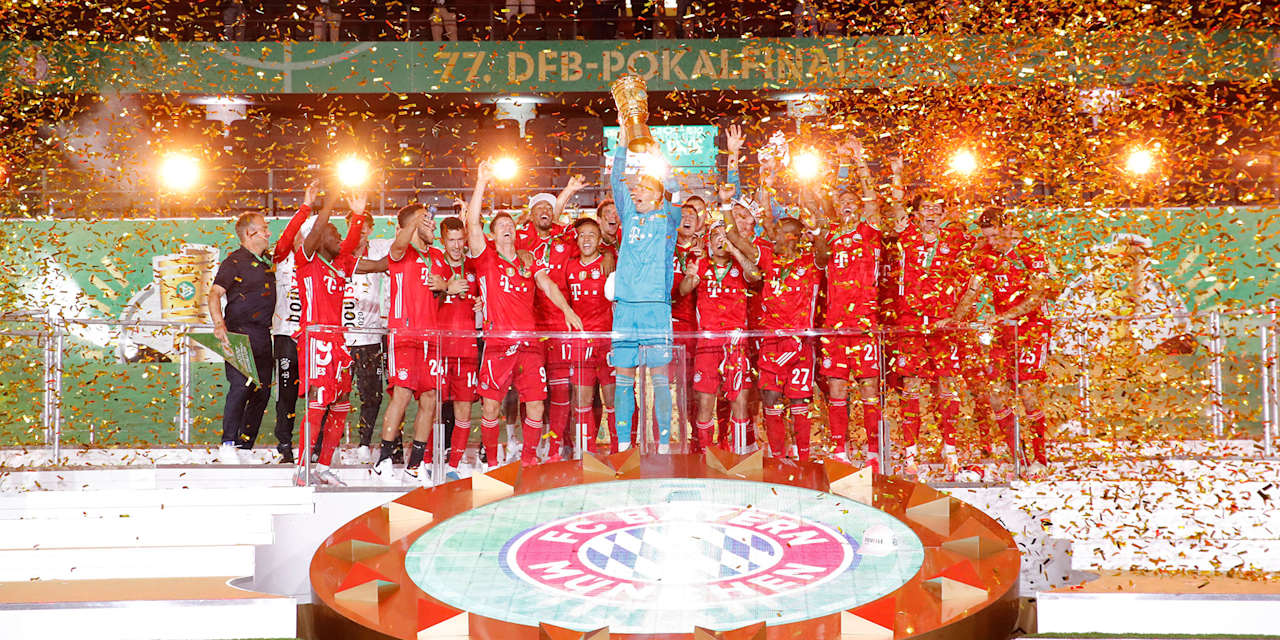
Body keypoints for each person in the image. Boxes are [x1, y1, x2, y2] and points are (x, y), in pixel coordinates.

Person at [466, 159, 582, 468]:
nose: (507, 228)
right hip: (498, 345)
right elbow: (472, 224)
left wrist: (568, 310)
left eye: (510, 226)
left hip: (530, 345)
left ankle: (529, 461)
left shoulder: (529, 261)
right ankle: (492, 463)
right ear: (492, 235)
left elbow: (547, 286)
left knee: (536, 407)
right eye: (501, 226)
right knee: (490, 408)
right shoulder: (486, 258)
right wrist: (482, 182)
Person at [956, 206, 1053, 476]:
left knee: (1028, 392)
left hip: (1032, 329)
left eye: (996, 236)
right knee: (996, 396)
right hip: (1003, 330)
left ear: (1009, 228)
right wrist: (954, 318)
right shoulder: (985, 255)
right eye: (987, 237)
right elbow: (972, 291)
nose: (992, 243)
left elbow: (1037, 297)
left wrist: (1006, 315)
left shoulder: (1031, 252)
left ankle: (1040, 458)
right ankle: (1018, 457)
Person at [609, 129, 682, 453]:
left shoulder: (668, 217)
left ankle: (664, 444)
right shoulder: (627, 213)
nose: (636, 192)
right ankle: (625, 444)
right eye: (636, 188)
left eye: (644, 188)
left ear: (657, 194)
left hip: (655, 307)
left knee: (659, 380)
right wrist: (624, 140)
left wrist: (658, 156)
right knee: (623, 380)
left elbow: (675, 190)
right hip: (626, 307)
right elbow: (616, 177)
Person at [893, 193, 975, 477]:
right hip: (911, 322)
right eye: (925, 208)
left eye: (937, 209)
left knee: (947, 385)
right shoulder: (905, 235)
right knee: (912, 386)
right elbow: (894, 208)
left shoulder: (956, 240)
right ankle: (910, 452)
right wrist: (896, 173)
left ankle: (949, 448)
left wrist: (957, 315)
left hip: (943, 324)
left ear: (944, 214)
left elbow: (976, 272)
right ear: (914, 214)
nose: (931, 213)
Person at [815, 137, 885, 468]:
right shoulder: (829, 234)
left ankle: (873, 452)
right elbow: (832, 198)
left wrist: (858, 160)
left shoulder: (869, 229)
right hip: (835, 323)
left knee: (869, 386)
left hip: (865, 324)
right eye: (841, 200)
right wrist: (841, 163)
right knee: (837, 387)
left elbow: (870, 200)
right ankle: (840, 451)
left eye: (852, 200)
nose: (846, 203)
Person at [731, 215, 823, 461]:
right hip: (771, 342)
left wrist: (814, 224)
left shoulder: (810, 261)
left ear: (794, 237)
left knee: (799, 404)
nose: (775, 236)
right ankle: (777, 456)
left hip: (801, 344)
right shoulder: (769, 259)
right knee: (770, 399)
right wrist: (727, 205)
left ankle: (803, 457)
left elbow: (824, 251)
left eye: (781, 232)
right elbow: (735, 237)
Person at [293, 191, 368, 486]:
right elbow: (316, 231)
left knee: (341, 402)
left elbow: (369, 259)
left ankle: (323, 466)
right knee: (317, 402)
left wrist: (358, 216)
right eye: (333, 232)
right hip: (315, 340)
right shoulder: (306, 260)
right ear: (319, 235)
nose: (339, 238)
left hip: (338, 341)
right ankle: (302, 468)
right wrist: (331, 198)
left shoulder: (340, 264)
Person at [374, 203, 450, 485]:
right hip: (403, 334)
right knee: (402, 395)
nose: (433, 227)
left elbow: (445, 291)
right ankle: (383, 460)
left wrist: (445, 287)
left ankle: (414, 466)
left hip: (431, 337)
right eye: (428, 222)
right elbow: (400, 241)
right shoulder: (400, 253)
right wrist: (416, 218)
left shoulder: (438, 257)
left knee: (430, 399)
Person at [680, 221, 760, 451]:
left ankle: (739, 453)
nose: (720, 240)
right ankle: (706, 454)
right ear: (708, 242)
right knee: (705, 402)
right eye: (715, 236)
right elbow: (684, 291)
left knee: (739, 401)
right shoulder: (700, 265)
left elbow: (755, 276)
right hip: (707, 344)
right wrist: (690, 277)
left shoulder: (740, 266)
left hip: (736, 344)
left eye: (725, 236)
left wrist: (736, 249)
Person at [208, 212, 277, 465]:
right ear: (249, 233)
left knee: (262, 392)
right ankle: (227, 444)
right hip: (238, 333)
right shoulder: (233, 262)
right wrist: (219, 325)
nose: (269, 233)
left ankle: (245, 446)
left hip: (262, 334)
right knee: (240, 387)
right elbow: (214, 293)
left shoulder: (268, 261)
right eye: (264, 229)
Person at [548, 217, 617, 455]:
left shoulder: (611, 262)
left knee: (613, 400)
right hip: (581, 342)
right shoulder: (569, 266)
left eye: (592, 235)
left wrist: (609, 255)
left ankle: (621, 451)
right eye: (582, 235)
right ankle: (584, 452)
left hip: (608, 342)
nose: (586, 239)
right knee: (581, 400)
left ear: (600, 241)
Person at [269, 181, 323, 464]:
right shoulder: (282, 256)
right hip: (286, 335)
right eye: (303, 235)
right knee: (287, 390)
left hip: (313, 338)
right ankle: (285, 444)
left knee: (318, 392)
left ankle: (316, 445)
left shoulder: (320, 262)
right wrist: (305, 206)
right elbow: (287, 234)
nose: (306, 241)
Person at [342, 213, 389, 465]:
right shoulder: (337, 252)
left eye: (362, 227)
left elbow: (403, 245)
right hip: (341, 338)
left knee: (372, 395)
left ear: (370, 229)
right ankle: (325, 446)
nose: (358, 231)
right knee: (336, 395)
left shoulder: (380, 247)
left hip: (371, 336)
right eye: (353, 226)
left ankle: (364, 444)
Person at [438, 215, 483, 477]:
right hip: (440, 348)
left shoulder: (474, 266)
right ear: (442, 241)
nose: (456, 245)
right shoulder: (435, 264)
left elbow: (484, 295)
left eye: (459, 239)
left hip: (466, 348)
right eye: (451, 240)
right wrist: (447, 288)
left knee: (464, 407)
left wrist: (481, 304)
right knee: (433, 407)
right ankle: (430, 462)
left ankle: (454, 466)